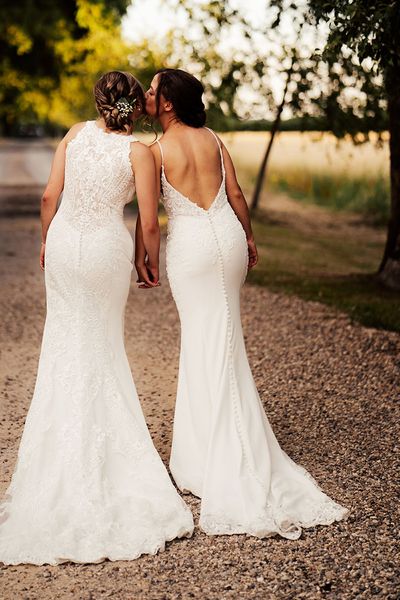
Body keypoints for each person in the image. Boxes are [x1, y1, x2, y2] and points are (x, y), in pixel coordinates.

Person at [135, 68, 348, 539]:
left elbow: (150, 219)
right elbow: (234, 194)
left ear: (168, 102)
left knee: (202, 339)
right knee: (226, 336)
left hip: (190, 246)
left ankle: (209, 456)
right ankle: (219, 444)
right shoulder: (212, 138)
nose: (147, 95)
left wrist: (142, 259)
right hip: (226, 238)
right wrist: (248, 236)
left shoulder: (153, 151)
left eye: (152, 90)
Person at [0, 71, 193, 566]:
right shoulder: (140, 153)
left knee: (63, 341)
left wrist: (46, 240)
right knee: (102, 345)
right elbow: (149, 221)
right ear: (133, 107)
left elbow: (49, 198)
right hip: (106, 250)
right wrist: (146, 261)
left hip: (65, 244)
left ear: (99, 103)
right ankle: (103, 456)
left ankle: (55, 460)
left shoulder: (74, 134)